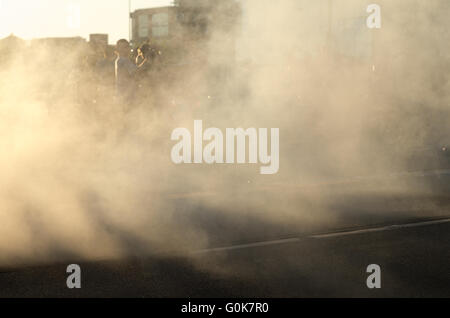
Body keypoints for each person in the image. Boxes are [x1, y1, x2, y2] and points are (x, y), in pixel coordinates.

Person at [114, 39, 137, 107]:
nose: (125, 49)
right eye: (123, 47)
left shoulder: (118, 60)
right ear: (118, 49)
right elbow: (137, 72)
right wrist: (146, 62)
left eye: (126, 47)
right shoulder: (123, 60)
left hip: (122, 96)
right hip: (126, 97)